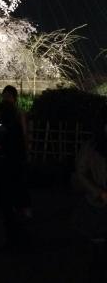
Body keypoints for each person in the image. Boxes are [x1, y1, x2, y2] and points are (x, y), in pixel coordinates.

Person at [0, 85, 32, 251]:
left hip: (10, 162)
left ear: (14, 98)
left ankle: (15, 236)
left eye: (8, 96)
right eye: (4, 96)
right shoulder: (2, 117)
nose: (5, 99)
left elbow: (17, 137)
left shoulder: (14, 116)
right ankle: (17, 234)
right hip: (9, 162)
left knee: (10, 199)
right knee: (11, 200)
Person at [73, 107, 107, 281]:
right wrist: (98, 192)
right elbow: (80, 172)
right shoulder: (91, 147)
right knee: (98, 246)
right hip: (98, 203)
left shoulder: (90, 146)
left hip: (97, 201)